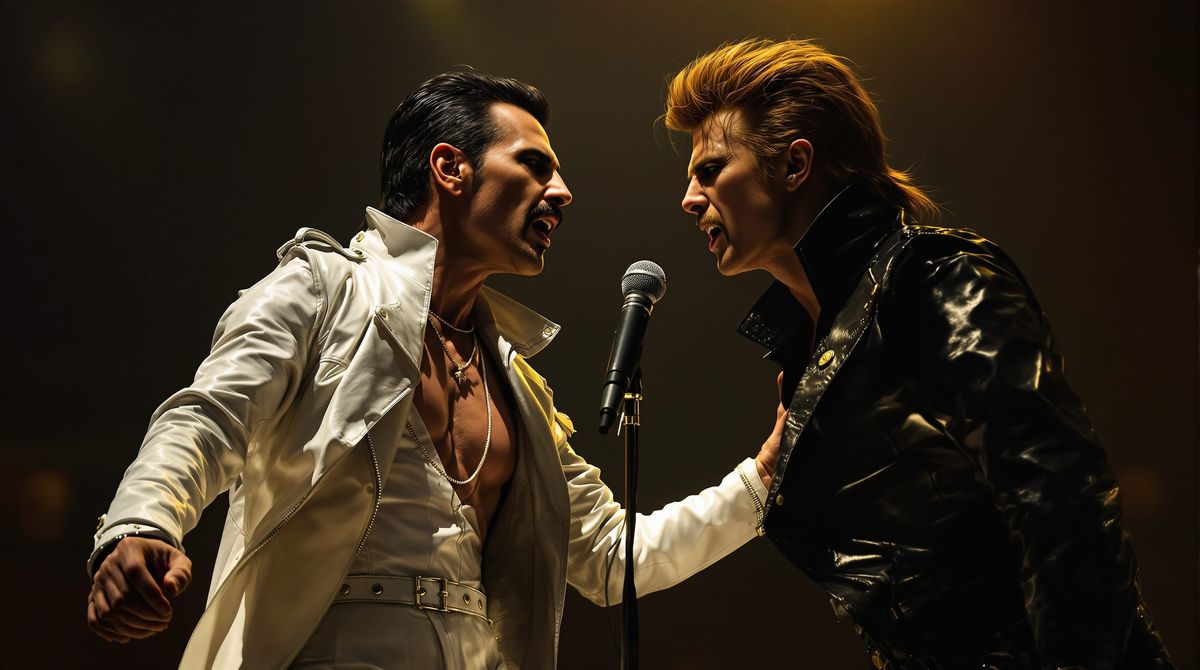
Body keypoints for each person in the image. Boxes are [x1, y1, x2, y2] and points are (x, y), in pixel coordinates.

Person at [86, 70, 779, 669]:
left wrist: (763, 479)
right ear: (450, 168)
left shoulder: (516, 384)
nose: (562, 191)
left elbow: (610, 557)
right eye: (535, 165)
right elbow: (208, 418)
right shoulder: (322, 288)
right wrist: (141, 524)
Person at [664, 39, 1174, 669]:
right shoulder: (813, 346)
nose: (689, 198)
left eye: (710, 170)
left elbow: (1059, 498)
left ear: (795, 165)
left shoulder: (932, 278)